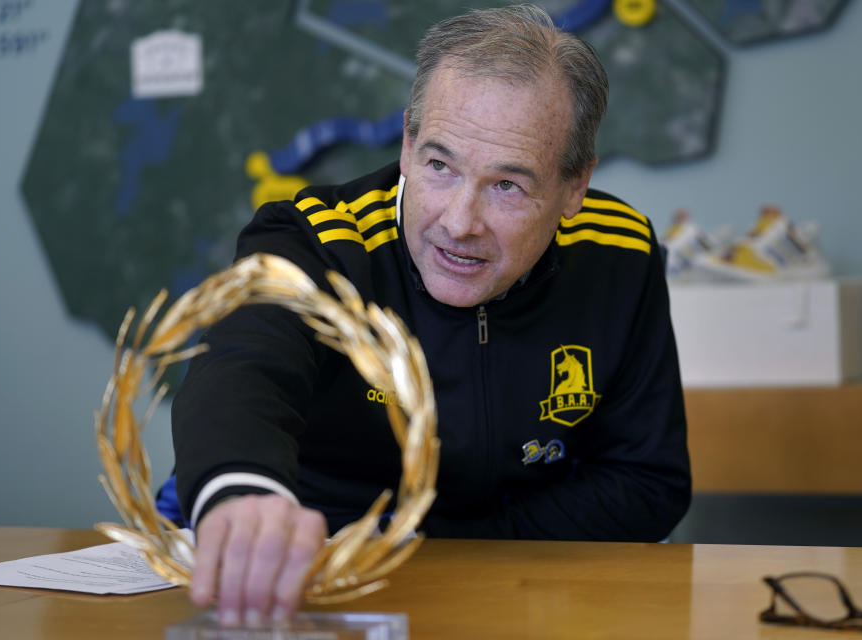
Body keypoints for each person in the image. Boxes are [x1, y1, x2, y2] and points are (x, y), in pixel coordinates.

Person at [171, 4, 690, 628]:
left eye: (507, 186)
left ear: (574, 187)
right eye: (440, 166)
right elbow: (240, 370)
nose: (459, 222)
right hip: (313, 586)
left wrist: (443, 544)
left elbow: (646, 482)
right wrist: (244, 491)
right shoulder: (312, 238)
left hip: (517, 599)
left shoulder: (621, 252)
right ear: (408, 146)